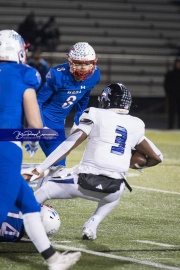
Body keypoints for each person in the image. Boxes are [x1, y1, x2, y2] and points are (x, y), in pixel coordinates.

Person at [24, 83, 163, 240]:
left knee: (46, 187)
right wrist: (136, 164)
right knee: (118, 192)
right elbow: (157, 157)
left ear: (106, 100)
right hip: (112, 189)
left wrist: (39, 169)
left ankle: (21, 222)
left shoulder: (95, 113)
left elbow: (68, 145)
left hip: (83, 182)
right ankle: (92, 225)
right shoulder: (136, 124)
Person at [0, 30, 80, 269]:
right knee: (3, 208)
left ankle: (53, 260)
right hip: (6, 148)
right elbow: (35, 124)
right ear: (19, 50)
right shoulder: (25, 74)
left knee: (30, 205)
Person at [36, 42, 100, 166]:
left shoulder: (94, 75)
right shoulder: (57, 74)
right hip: (46, 117)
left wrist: (78, 120)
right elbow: (38, 101)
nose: (83, 67)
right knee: (59, 164)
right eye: (79, 63)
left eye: (87, 63)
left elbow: (84, 96)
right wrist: (41, 126)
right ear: (70, 62)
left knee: (57, 165)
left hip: (59, 120)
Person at [164, 58, 180, 129]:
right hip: (172, 96)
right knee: (171, 112)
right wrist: (169, 93)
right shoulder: (170, 74)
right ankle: (170, 126)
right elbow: (166, 84)